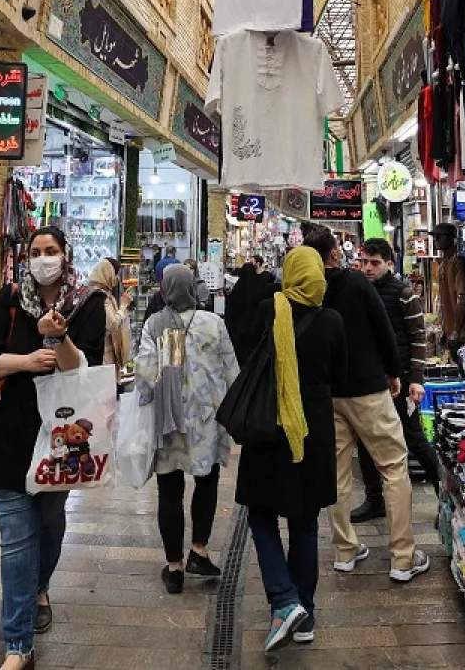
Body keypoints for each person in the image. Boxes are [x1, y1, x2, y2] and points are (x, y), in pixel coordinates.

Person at [0, 227, 106, 670]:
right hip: (7, 440)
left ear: (65, 256)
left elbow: (84, 370)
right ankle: (17, 645)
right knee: (16, 541)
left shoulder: (87, 303)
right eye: (36, 251)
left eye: (51, 251)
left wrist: (58, 337)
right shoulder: (9, 299)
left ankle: (40, 585)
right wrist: (27, 362)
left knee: (48, 526)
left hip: (61, 445)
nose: (43, 258)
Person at [301, 224, 429, 582]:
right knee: (393, 466)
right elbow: (383, 330)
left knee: (338, 472)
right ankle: (402, 557)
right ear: (334, 254)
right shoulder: (356, 283)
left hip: (329, 393)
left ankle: (345, 550)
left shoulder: (305, 287)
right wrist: (393, 373)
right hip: (368, 389)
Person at [235, 246, 346, 651]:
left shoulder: (269, 309)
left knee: (261, 514)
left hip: (269, 425)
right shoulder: (332, 320)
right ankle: (306, 615)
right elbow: (341, 374)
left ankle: (284, 600)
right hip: (312, 431)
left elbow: (244, 349)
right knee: (304, 522)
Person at [135, 264, 239, 593]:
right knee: (206, 482)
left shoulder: (156, 324)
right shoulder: (214, 323)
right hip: (208, 419)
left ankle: (174, 567)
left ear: (165, 290)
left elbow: (147, 375)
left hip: (170, 421)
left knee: (170, 491)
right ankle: (199, 551)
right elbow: (232, 371)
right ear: (195, 288)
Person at [351, 238, 441, 522]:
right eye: (364, 262)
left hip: (400, 379)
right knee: (365, 440)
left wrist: (416, 379)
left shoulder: (404, 294)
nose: (368, 268)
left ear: (389, 264)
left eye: (375, 263)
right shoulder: (357, 292)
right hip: (369, 379)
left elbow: (418, 338)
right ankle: (374, 499)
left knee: (415, 438)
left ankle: (445, 497)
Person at [223, 256, 280, 360]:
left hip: (237, 334)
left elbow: (229, 313)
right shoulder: (260, 288)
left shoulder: (236, 291)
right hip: (255, 332)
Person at [89, 259, 132, 379]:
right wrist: (123, 305)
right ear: (108, 273)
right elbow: (112, 325)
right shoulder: (100, 297)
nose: (117, 278)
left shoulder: (99, 292)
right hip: (103, 356)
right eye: (115, 274)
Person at [432, 223, 465, 352]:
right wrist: (445, 329)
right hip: (450, 331)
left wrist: (456, 331)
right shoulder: (444, 263)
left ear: (451, 238)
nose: (436, 240)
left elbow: (462, 297)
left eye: (439, 237)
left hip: (460, 333)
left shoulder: (457, 261)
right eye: (435, 237)